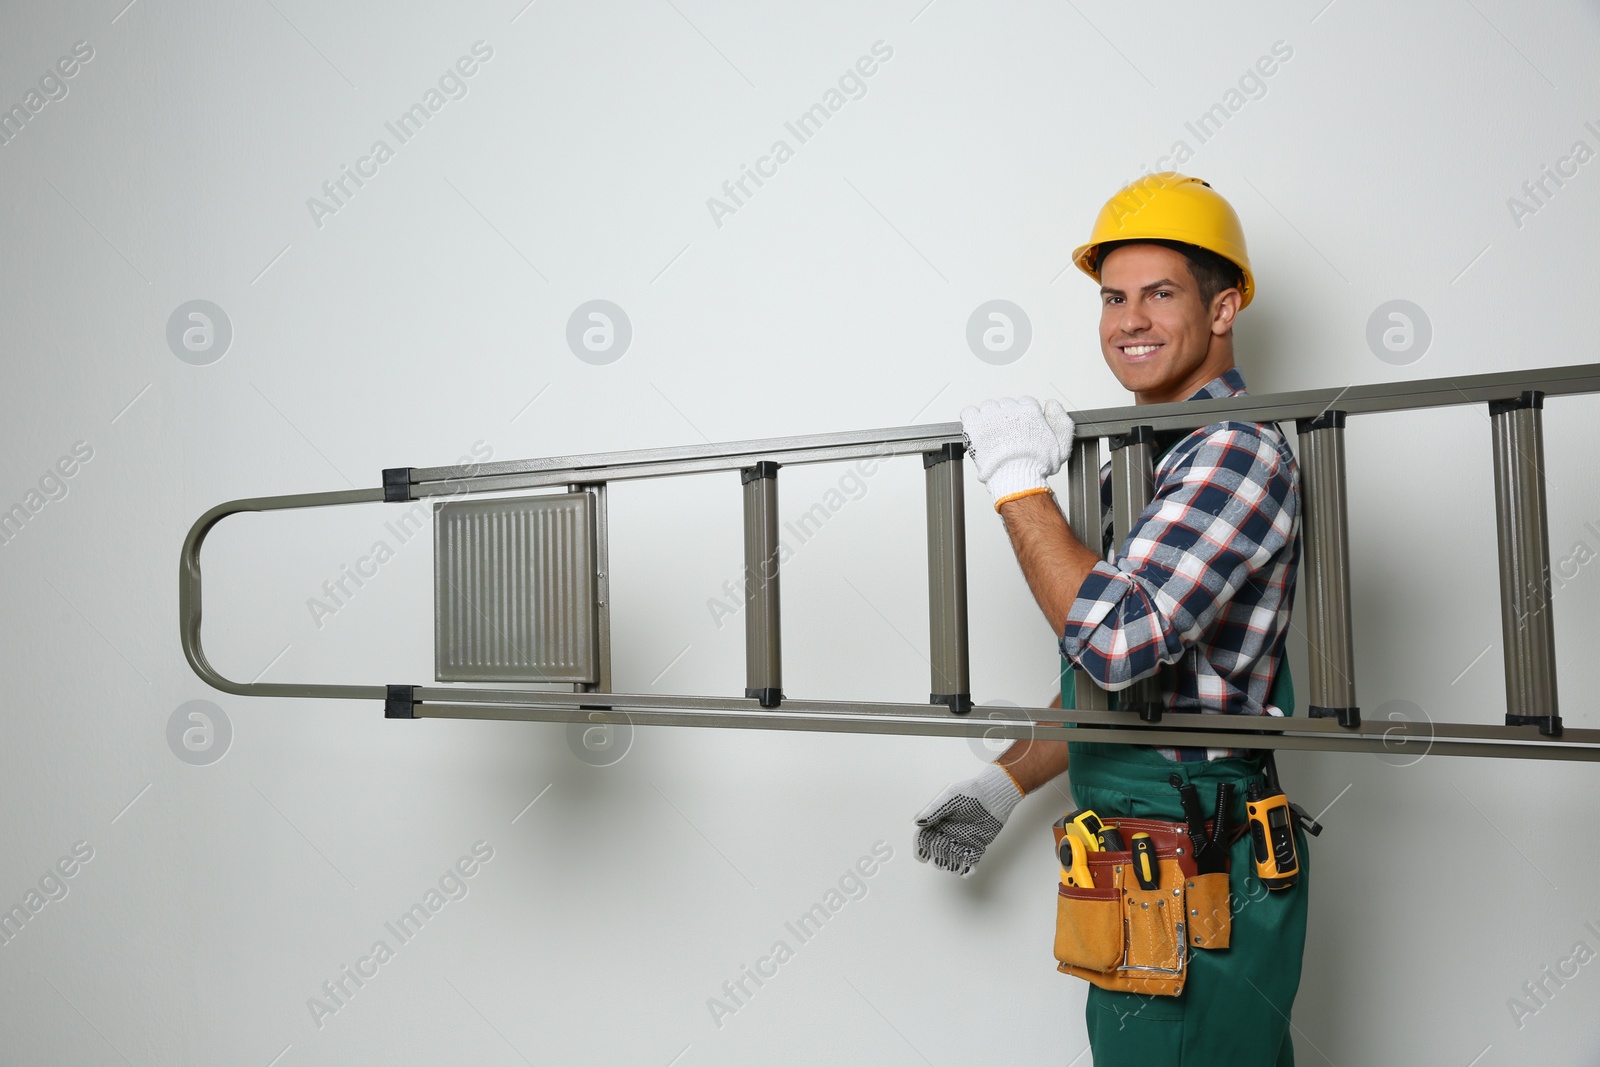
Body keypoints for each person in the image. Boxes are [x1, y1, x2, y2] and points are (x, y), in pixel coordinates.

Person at [913, 172, 1311, 1065]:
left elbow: (1120, 641)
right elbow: (1120, 690)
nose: (1129, 319)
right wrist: (1007, 782)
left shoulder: (1233, 455)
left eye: (1160, 294)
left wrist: (1018, 483)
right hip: (1142, 860)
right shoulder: (1148, 464)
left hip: (1200, 866)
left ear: (1224, 308)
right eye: (1113, 297)